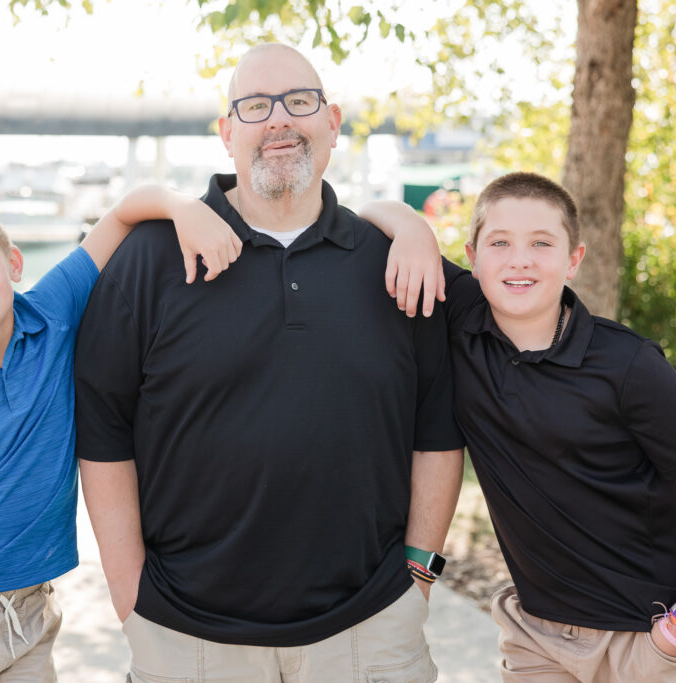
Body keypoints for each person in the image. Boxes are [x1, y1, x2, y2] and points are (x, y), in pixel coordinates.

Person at [73, 43, 463, 682]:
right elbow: (102, 430)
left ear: (332, 122)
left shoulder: (392, 262)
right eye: (255, 107)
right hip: (186, 638)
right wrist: (131, 597)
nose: (279, 121)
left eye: (299, 102)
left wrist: (418, 578)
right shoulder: (150, 260)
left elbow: (437, 430)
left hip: (369, 633)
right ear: (228, 134)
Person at [360, 171, 676, 682]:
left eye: (541, 243)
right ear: (472, 258)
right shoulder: (462, 315)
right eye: (500, 242)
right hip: (535, 637)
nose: (519, 259)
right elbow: (374, 210)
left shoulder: (626, 364)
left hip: (645, 636)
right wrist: (416, 233)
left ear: (574, 260)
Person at [0, 189, 240, 683]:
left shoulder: (53, 314)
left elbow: (123, 214)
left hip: (30, 615)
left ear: (13, 263)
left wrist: (182, 209)